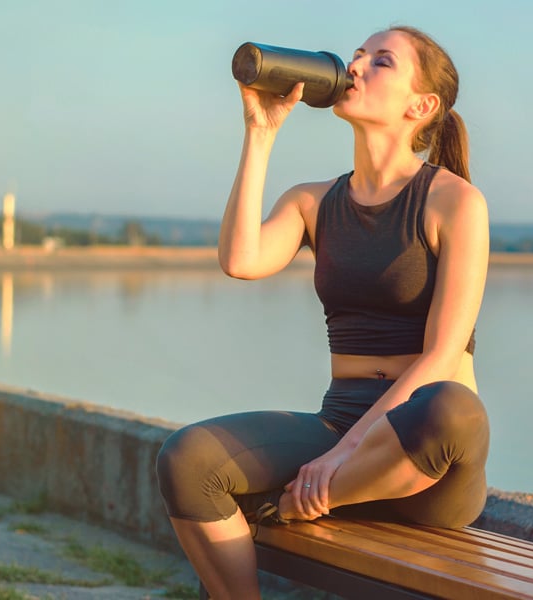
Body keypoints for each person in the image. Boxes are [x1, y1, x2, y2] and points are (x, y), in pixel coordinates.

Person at [156, 25, 490, 600]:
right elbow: (240, 260)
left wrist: (335, 465)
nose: (356, 67)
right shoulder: (314, 201)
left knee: (452, 408)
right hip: (339, 425)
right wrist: (259, 134)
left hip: (422, 460)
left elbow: (442, 353)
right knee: (186, 459)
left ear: (421, 105)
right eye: (358, 56)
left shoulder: (454, 201)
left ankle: (301, 503)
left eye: (381, 61)